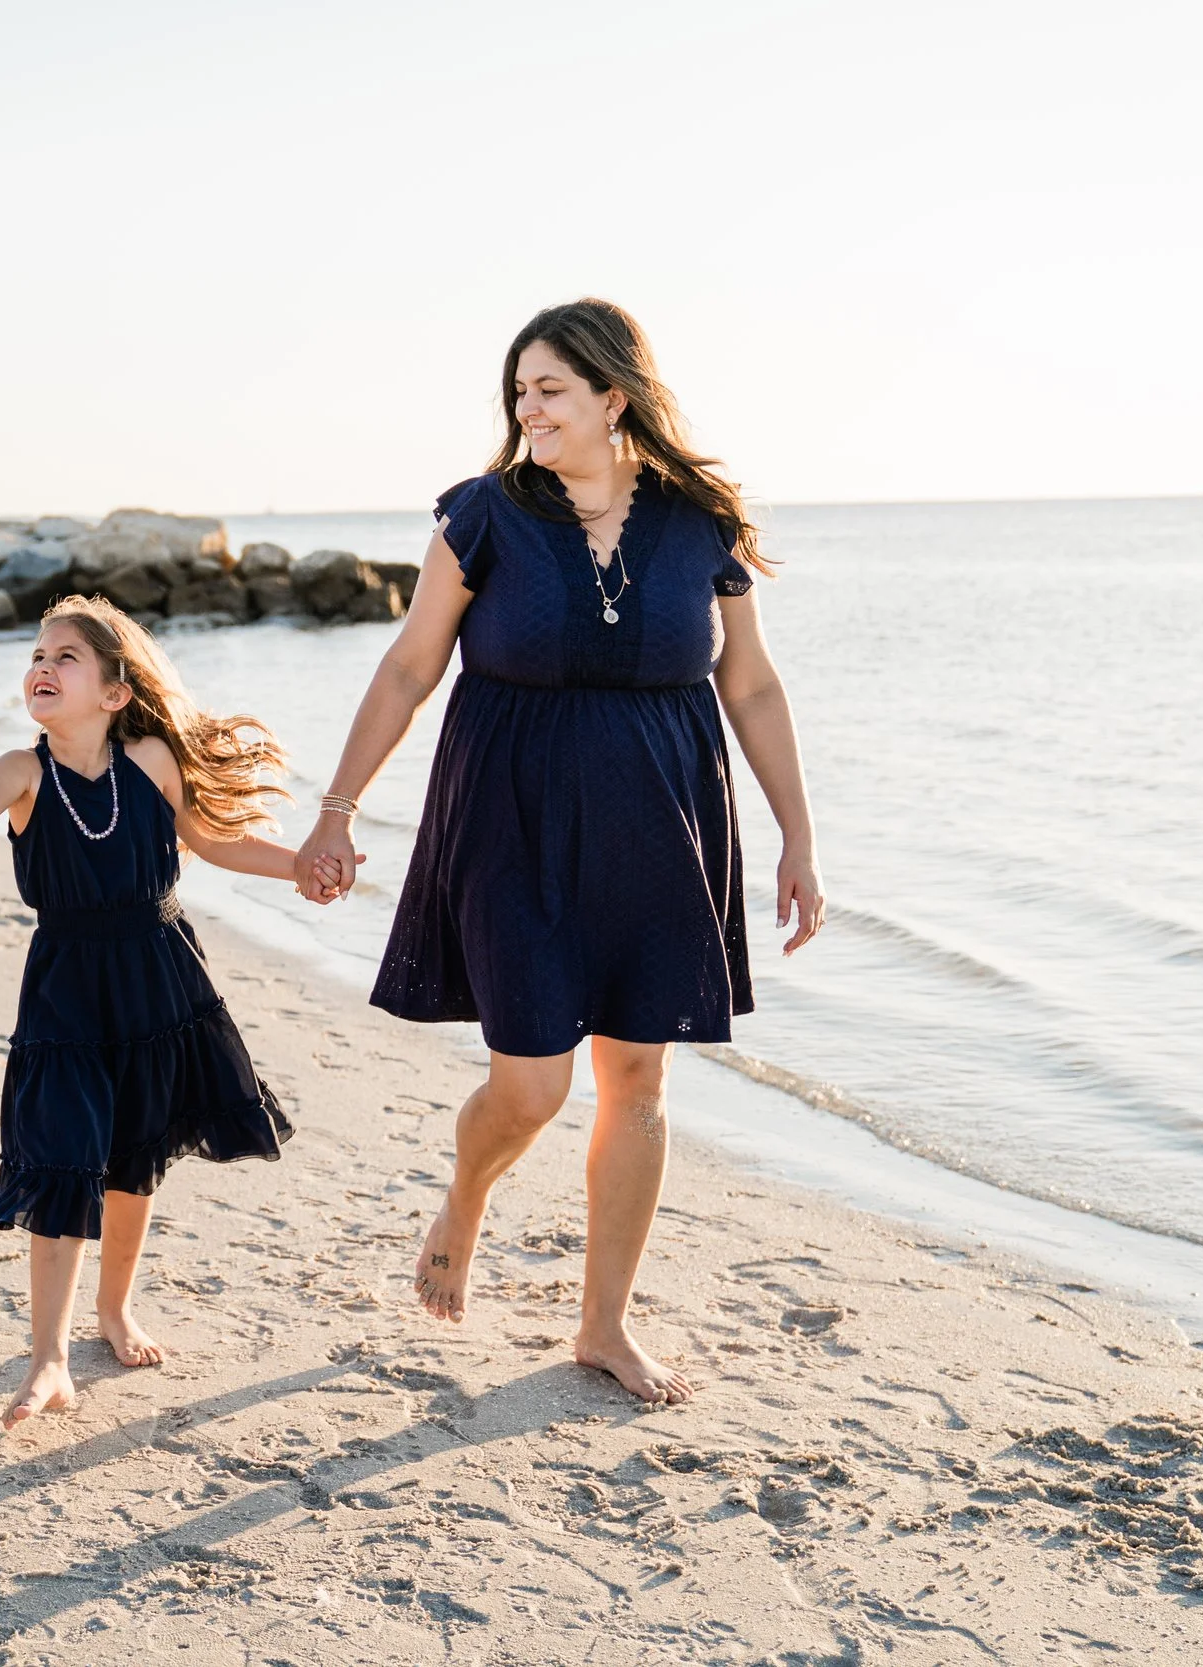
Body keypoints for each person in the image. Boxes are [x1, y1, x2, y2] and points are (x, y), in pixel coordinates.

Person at [294, 298, 826, 1406]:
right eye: (519, 391)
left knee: (637, 1077)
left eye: (548, 389)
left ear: (611, 398)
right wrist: (337, 808)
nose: (526, 409)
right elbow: (407, 666)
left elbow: (751, 682)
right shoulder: (484, 514)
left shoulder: (700, 520)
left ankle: (603, 1322)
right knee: (530, 1085)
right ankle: (466, 1195)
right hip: (510, 817)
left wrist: (797, 836)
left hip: (662, 819)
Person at [0, 597, 330, 1427]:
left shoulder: (151, 760)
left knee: (135, 1159)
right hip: (67, 988)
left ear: (113, 691)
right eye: (37, 653)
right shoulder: (21, 771)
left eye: (67, 656)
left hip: (160, 977)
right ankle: (49, 1360)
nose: (42, 665)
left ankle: (114, 1309)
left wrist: (301, 868)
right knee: (67, 1158)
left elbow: (211, 842)